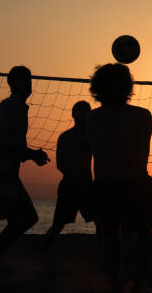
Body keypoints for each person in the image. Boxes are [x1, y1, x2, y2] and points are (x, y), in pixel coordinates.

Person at [86, 64, 152, 291]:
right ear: (127, 86)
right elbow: (141, 151)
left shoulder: (91, 119)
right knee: (143, 234)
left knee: (110, 235)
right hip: (135, 183)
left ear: (97, 88)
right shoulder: (142, 116)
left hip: (107, 184)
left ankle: (115, 282)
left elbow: (95, 149)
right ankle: (137, 281)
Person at [0, 66, 50, 273]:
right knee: (19, 220)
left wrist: (32, 156)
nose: (29, 83)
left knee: (29, 218)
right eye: (25, 80)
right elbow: (5, 142)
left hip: (8, 172)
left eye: (30, 79)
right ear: (12, 84)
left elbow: (16, 149)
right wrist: (32, 155)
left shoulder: (20, 108)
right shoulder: (8, 107)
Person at [43, 101, 95, 254]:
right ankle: (42, 255)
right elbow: (60, 164)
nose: (83, 115)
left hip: (87, 185)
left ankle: (104, 257)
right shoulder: (65, 137)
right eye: (80, 111)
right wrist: (76, 178)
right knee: (57, 225)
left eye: (86, 112)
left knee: (101, 222)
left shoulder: (92, 137)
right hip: (70, 186)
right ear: (73, 114)